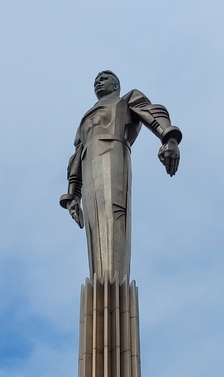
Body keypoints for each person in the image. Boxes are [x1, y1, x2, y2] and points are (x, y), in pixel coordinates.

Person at [60, 71, 181, 279]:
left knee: (114, 212)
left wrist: (169, 138)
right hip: (89, 163)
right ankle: (101, 282)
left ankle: (113, 282)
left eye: (104, 78)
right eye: (96, 80)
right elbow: (77, 154)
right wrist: (73, 195)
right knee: (94, 224)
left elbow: (152, 112)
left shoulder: (126, 100)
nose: (98, 82)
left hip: (113, 151)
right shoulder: (85, 119)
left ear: (116, 85)